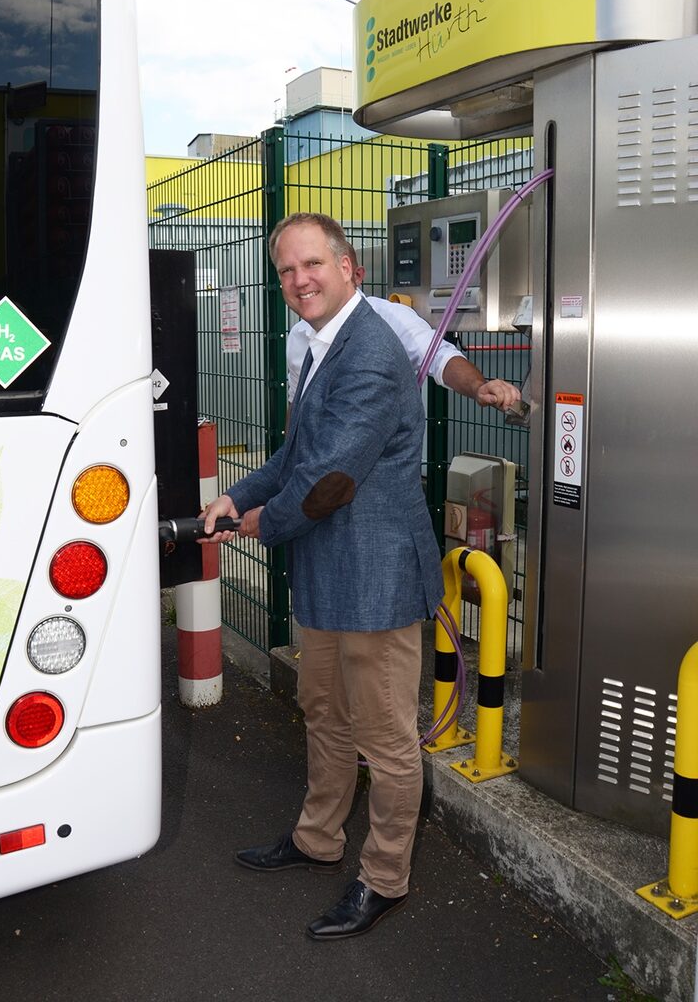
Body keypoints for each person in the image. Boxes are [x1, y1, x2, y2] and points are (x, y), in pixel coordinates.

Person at [201, 213, 518, 943]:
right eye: (286, 270)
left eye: (312, 264)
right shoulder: (316, 343)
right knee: (324, 710)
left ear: (351, 270)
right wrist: (238, 495)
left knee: (384, 735)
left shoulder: (372, 350)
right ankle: (318, 838)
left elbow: (329, 478)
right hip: (325, 567)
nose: (299, 280)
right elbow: (295, 451)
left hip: (373, 574)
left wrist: (260, 523)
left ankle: (384, 878)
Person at [286, 242, 519, 409]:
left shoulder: (391, 318)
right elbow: (296, 403)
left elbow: (439, 356)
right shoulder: (300, 335)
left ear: (356, 275)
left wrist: (478, 386)